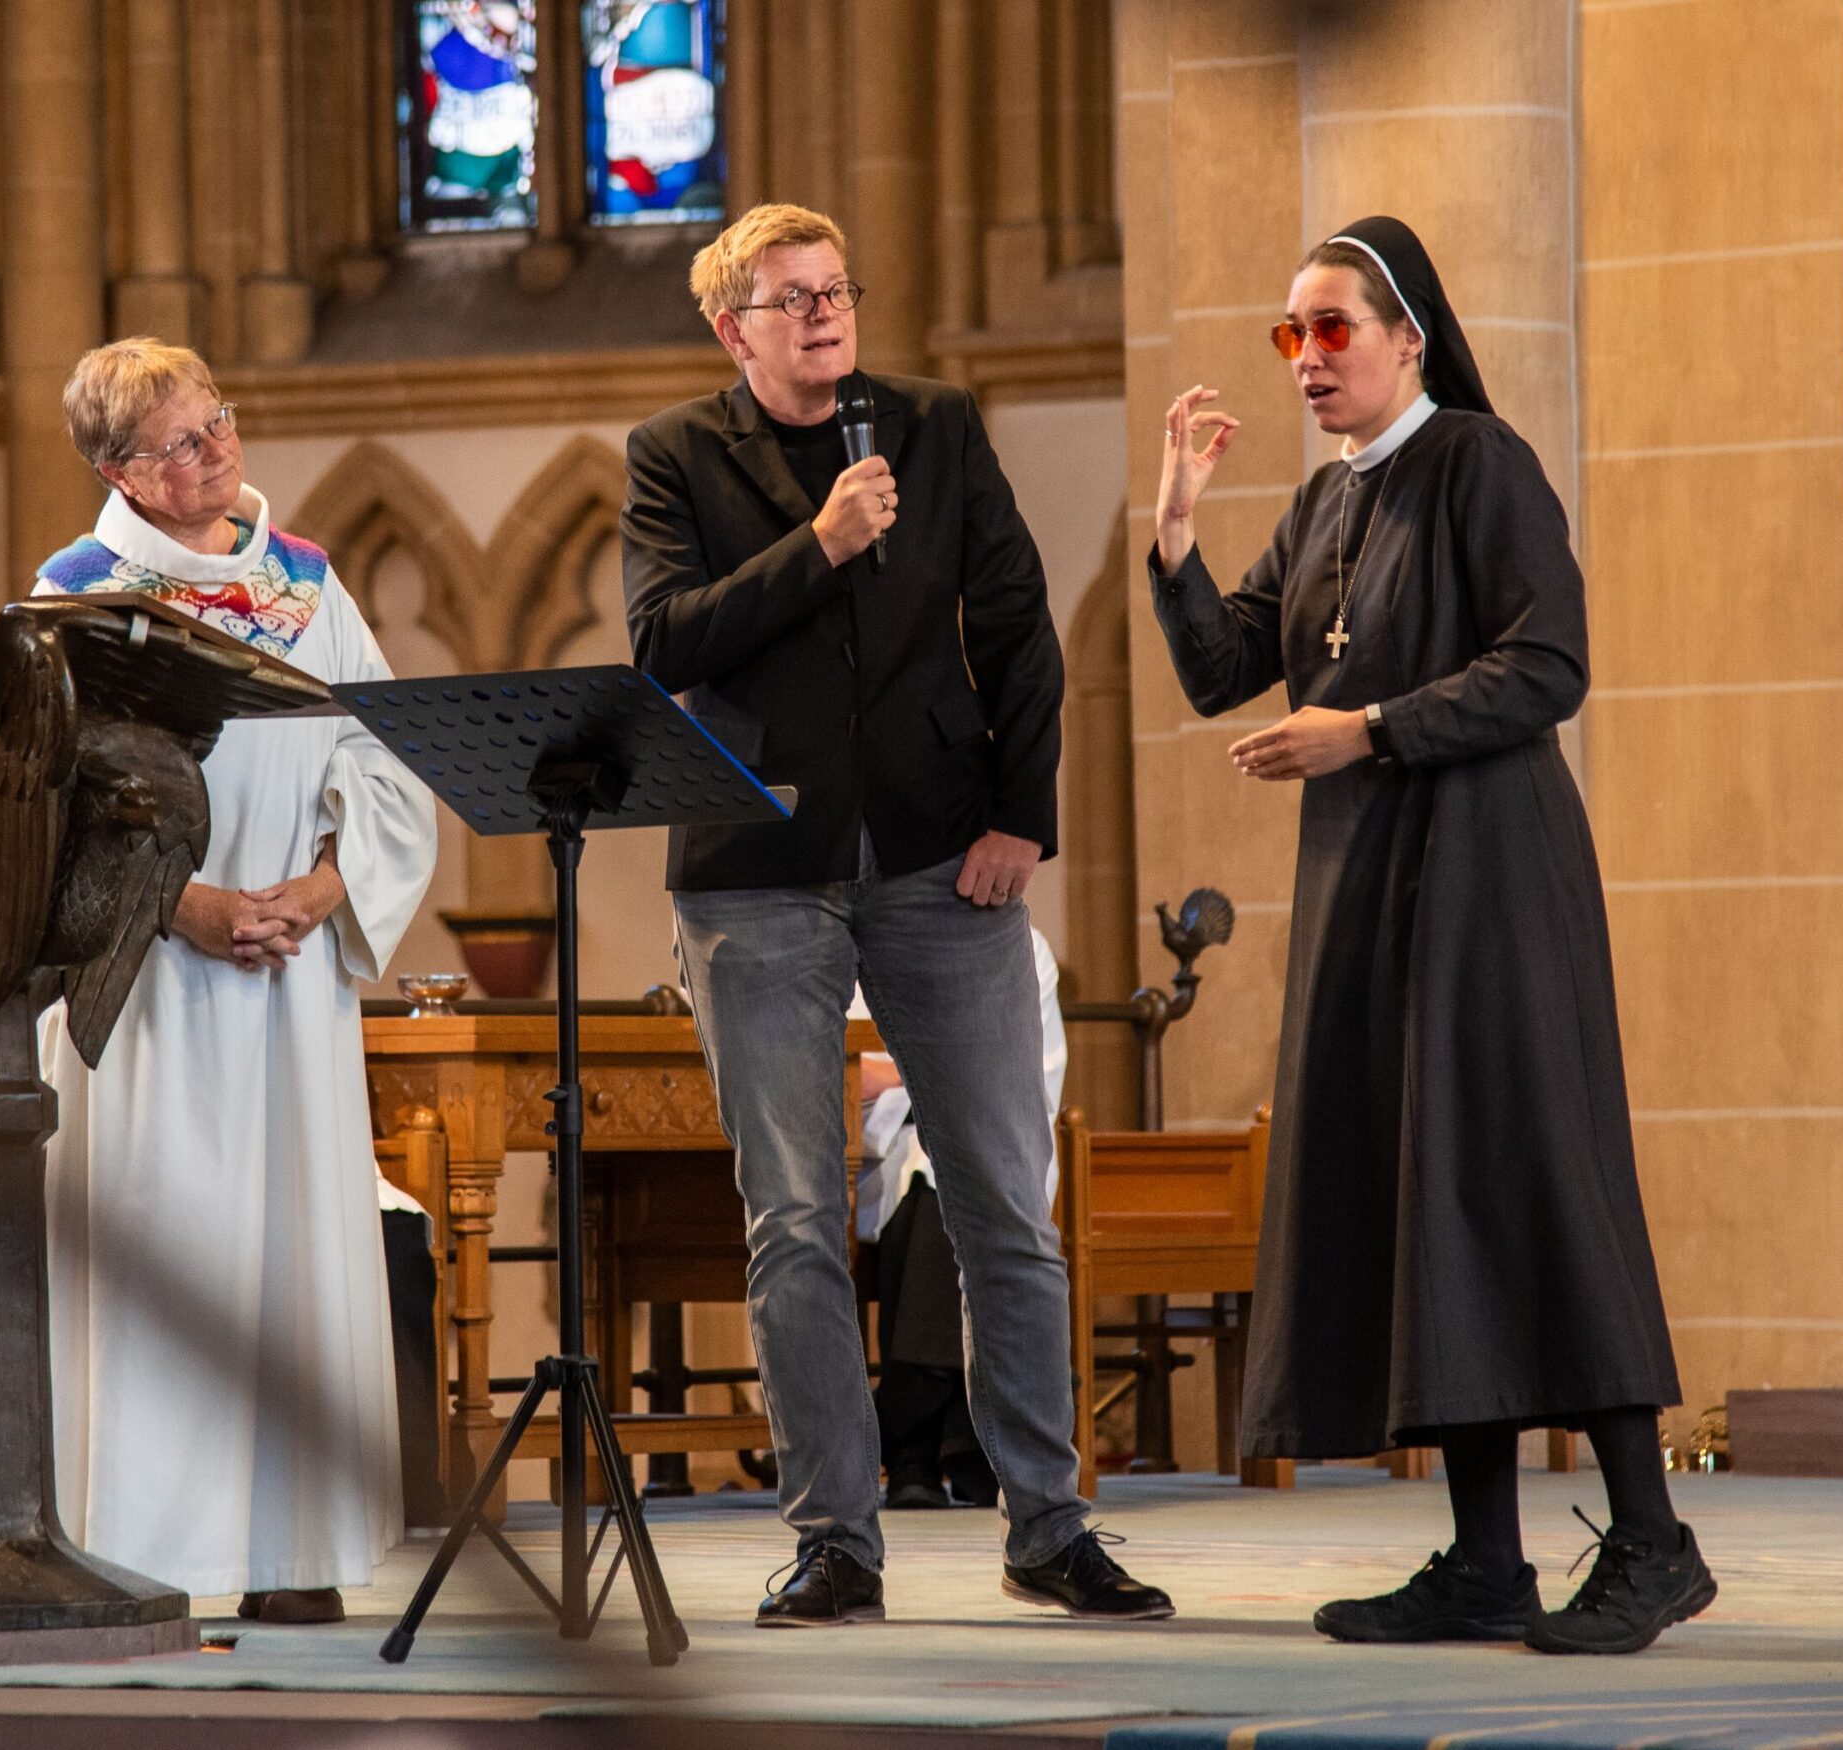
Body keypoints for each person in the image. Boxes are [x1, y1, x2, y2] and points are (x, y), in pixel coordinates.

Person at [1147, 217, 1713, 1656]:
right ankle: (1483, 1559)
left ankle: (1653, 1539)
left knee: (1532, 1176)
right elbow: (1225, 670)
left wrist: (1373, 729)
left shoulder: (1474, 459)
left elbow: (1550, 663)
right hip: (1376, 877)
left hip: (1493, 872)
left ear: (1410, 336)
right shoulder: (1330, 501)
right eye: (1292, 335)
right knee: (1428, 1195)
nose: (1309, 358)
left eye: (1335, 328)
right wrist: (1173, 534)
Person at [620, 203, 1170, 1627]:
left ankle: (1049, 1524)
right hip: (757, 869)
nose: (822, 313)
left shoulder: (932, 426)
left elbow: (1019, 623)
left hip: (944, 856)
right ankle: (835, 1539)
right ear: (730, 328)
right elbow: (665, 638)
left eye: (837, 288)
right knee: (795, 1216)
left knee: (1002, 1201)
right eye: (790, 298)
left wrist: (1022, 814)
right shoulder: (677, 456)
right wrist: (820, 540)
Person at [36, 339, 439, 1624]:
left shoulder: (309, 586)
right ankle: (152, 1554)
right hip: (149, 984)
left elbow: (388, 756)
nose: (215, 456)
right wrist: (185, 905)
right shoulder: (75, 600)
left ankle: (288, 1551)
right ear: (119, 473)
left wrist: (326, 887)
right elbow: (47, 803)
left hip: (293, 981)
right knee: (173, 1256)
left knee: (295, 1259)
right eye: (180, 445)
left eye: (218, 426)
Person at [854, 927, 1067, 1511]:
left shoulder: (1021, 941)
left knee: (946, 1174)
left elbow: (1021, 1063)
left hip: (992, 1130)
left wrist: (897, 1073)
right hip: (871, 1153)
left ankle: (913, 1448)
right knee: (923, 1173)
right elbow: (837, 1066)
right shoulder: (854, 931)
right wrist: (919, 1071)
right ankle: (967, 1444)